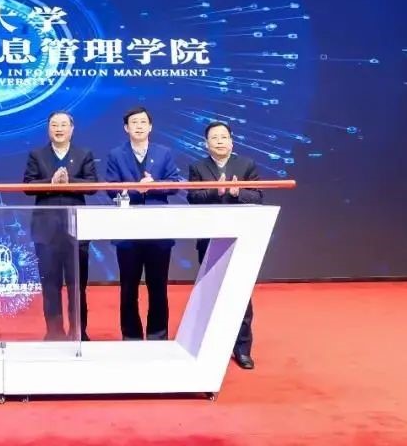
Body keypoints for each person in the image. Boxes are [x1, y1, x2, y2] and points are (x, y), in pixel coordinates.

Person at [105, 106, 185, 340]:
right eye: (134, 122)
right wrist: (135, 189)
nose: (138, 126)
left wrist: (154, 186)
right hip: (127, 231)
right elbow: (111, 188)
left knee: (158, 286)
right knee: (128, 287)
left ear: (150, 127)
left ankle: (157, 336)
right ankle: (131, 337)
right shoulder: (116, 155)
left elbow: (175, 184)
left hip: (157, 229)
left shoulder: (164, 152)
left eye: (143, 122)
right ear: (126, 128)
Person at [188, 120, 263, 369]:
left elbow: (257, 196)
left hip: (239, 236)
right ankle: (208, 346)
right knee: (208, 292)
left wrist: (235, 192)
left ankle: (242, 349)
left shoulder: (246, 164)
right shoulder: (198, 167)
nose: (219, 141)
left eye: (224, 137)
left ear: (231, 141)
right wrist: (216, 191)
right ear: (206, 143)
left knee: (241, 293)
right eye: (214, 137)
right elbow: (192, 197)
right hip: (209, 237)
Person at [22, 110, 99, 340]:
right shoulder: (37, 155)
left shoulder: (84, 154)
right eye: (54, 124)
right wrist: (51, 182)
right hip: (46, 232)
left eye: (63, 124)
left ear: (72, 129)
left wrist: (68, 181)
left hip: (76, 232)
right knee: (50, 286)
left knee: (77, 286)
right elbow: (27, 186)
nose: (59, 129)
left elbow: (92, 185)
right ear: (48, 129)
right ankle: (54, 333)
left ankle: (78, 333)